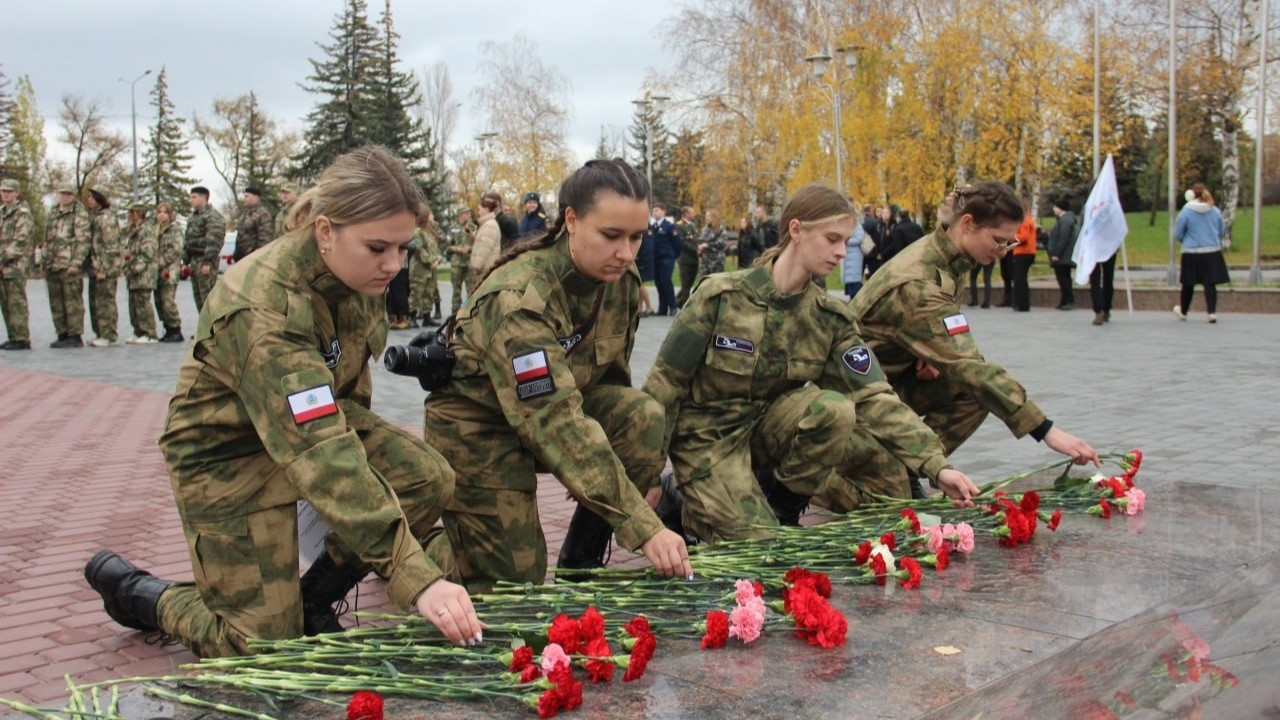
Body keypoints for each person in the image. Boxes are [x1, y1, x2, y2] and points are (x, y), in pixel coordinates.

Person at [84, 146, 481, 658]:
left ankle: (313, 600)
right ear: (325, 231)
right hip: (229, 454)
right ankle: (145, 595)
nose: (393, 264)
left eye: (403, 247)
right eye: (379, 247)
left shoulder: (358, 274)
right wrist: (417, 576)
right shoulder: (264, 304)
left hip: (309, 430)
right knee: (259, 645)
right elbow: (320, 450)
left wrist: (368, 522)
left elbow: (344, 400)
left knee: (425, 477)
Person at [643, 185, 979, 542]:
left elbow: (873, 396)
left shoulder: (828, 317)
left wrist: (937, 466)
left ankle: (783, 510)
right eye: (832, 239)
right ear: (796, 230)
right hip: (708, 440)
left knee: (835, 409)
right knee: (761, 548)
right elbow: (665, 385)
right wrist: (647, 475)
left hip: (765, 434)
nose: (841, 251)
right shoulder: (721, 297)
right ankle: (679, 498)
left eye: (846, 241)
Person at [422, 158, 691, 591]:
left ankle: (580, 564)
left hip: (550, 415)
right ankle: (411, 551)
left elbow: (610, 384)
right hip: (481, 428)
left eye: (636, 236)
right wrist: (643, 526)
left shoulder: (619, 281)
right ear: (571, 220)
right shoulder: (520, 298)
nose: (626, 253)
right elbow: (553, 420)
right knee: (512, 585)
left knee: (642, 416)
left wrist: (595, 468)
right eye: (611, 235)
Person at [850, 181, 1100, 472]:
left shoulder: (948, 259)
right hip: (855, 400)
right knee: (976, 384)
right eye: (998, 240)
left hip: (887, 380)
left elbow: (923, 331)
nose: (1003, 251)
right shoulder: (919, 281)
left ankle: (903, 470)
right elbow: (969, 365)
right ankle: (881, 473)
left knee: (972, 393)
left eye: (1009, 242)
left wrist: (926, 353)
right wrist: (1046, 430)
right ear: (967, 223)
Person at [1173, 183, 1230, 324]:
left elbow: (1178, 233)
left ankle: (1183, 312)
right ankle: (1211, 313)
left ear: (1190, 195)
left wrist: (1186, 240)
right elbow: (1222, 230)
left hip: (1191, 252)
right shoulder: (1214, 211)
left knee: (1188, 284)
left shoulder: (1185, 212)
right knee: (1210, 283)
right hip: (1212, 252)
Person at [45, 186, 90, 348]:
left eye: (68, 194)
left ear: (73, 196)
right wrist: (44, 261)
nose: (65, 197)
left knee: (72, 302)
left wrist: (76, 263)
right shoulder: (53, 212)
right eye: (62, 194)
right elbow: (47, 238)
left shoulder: (79, 213)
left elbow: (83, 241)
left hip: (69, 264)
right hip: (53, 264)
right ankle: (62, 333)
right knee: (56, 302)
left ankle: (74, 335)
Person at [84, 189, 122, 348]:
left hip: (105, 268)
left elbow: (111, 246)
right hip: (95, 266)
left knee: (105, 302)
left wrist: (104, 269)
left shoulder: (106, 218)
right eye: (89, 197)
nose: (89, 200)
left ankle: (108, 335)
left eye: (93, 197)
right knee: (96, 303)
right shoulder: (95, 216)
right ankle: (100, 333)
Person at [0, 179, 34, 350]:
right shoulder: (1, 212)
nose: (6, 194)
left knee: (16, 302)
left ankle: (21, 338)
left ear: (17, 193)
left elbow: (21, 241)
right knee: (5, 303)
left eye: (9, 191)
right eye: (3, 191)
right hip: (2, 267)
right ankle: (13, 336)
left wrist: (2, 259)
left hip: (15, 265)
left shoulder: (22, 214)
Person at [183, 186, 227, 313]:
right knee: (199, 299)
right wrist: (185, 261)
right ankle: (204, 324)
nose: (190, 200)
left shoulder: (212, 216)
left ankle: (212, 325)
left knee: (208, 298)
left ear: (203, 198)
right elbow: (188, 240)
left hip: (205, 261)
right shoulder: (193, 217)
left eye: (194, 197)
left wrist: (207, 262)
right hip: (194, 261)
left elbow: (214, 240)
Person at [122, 203, 160, 344]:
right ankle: (138, 331)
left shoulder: (147, 230)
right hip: (133, 275)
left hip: (144, 274)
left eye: (132, 212)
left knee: (143, 304)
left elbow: (147, 253)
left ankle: (149, 333)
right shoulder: (132, 230)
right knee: (133, 305)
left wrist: (134, 268)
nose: (129, 215)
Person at [152, 202, 186, 342]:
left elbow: (176, 250)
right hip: (156, 271)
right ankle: (167, 328)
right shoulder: (155, 229)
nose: (161, 215)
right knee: (159, 301)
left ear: (170, 214)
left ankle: (175, 329)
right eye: (159, 212)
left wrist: (159, 262)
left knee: (167, 301)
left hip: (169, 270)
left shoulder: (175, 229)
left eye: (165, 212)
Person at [409, 211, 443, 327]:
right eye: (430, 215)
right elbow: (419, 249)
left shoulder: (430, 231)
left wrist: (437, 260)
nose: (432, 216)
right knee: (417, 293)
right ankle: (412, 317)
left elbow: (436, 248)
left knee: (429, 292)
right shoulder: (417, 232)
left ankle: (427, 317)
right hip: (420, 268)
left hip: (432, 268)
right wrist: (430, 261)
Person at [1047, 199, 1078, 311]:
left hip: (1063, 256)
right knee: (1063, 278)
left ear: (1061, 208)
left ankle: (1069, 300)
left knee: (1064, 278)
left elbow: (1063, 238)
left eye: (1055, 207)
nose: (1053, 209)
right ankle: (1064, 300)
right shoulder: (1065, 220)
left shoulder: (1065, 221)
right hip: (1064, 255)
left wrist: (1056, 254)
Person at [651, 204, 680, 316]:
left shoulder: (669, 226)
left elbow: (677, 243)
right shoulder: (652, 227)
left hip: (667, 258)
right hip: (655, 259)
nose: (654, 213)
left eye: (657, 210)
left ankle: (672, 307)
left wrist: (674, 256)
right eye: (653, 211)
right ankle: (662, 308)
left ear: (663, 211)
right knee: (658, 282)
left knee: (666, 281)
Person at [469, 194, 503, 288]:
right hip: (484, 269)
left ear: (487, 209)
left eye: (480, 209)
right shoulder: (486, 224)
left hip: (485, 269)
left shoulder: (490, 225)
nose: (479, 212)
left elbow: (484, 249)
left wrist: (475, 267)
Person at [447, 209, 476, 314]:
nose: (468, 215)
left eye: (469, 213)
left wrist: (469, 249)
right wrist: (456, 249)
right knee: (456, 290)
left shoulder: (473, 227)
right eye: (466, 213)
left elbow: (478, 244)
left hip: (469, 263)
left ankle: (470, 311)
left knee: (472, 289)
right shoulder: (453, 228)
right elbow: (447, 246)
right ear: (460, 215)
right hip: (457, 264)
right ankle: (455, 312)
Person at [1010, 200, 1037, 311]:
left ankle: (1022, 304)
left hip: (1024, 252)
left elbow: (1024, 237)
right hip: (1025, 252)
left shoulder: (1025, 221)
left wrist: (1011, 236)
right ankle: (1020, 303)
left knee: (1020, 279)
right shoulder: (1028, 220)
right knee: (1020, 278)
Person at [235, 186, 274, 261]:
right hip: (241, 257)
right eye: (244, 196)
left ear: (256, 197)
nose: (244, 199)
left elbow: (265, 238)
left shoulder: (263, 214)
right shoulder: (245, 214)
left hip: (253, 257)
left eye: (247, 196)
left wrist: (257, 255)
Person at [674, 206, 700, 307]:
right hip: (685, 259)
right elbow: (682, 242)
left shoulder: (692, 225)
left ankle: (677, 301)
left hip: (694, 259)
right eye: (692, 212)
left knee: (689, 284)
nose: (694, 214)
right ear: (685, 214)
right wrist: (696, 250)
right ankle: (685, 306)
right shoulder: (679, 225)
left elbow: (696, 240)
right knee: (685, 285)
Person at [635, 208, 657, 317]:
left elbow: (646, 247)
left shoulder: (646, 228)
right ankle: (640, 308)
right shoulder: (641, 226)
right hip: (640, 259)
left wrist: (641, 261)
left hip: (642, 260)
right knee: (638, 284)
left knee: (639, 284)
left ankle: (649, 307)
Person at [1089, 248, 1117, 326]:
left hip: (1098, 248)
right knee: (1106, 278)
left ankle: (1100, 310)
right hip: (1104, 247)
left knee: (1097, 279)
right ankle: (1103, 310)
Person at [697, 210, 727, 276]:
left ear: (714, 217)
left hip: (717, 262)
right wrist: (699, 248)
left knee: (717, 281)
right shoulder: (705, 229)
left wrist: (708, 245)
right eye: (706, 216)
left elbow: (722, 243)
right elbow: (700, 240)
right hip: (705, 262)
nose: (706, 218)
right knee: (704, 280)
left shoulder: (720, 229)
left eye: (708, 216)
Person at [842, 218, 866, 299]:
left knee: (854, 278)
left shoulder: (858, 226)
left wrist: (846, 241)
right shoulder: (847, 226)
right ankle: (851, 296)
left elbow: (859, 239)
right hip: (848, 255)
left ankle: (856, 297)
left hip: (855, 255)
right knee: (849, 278)